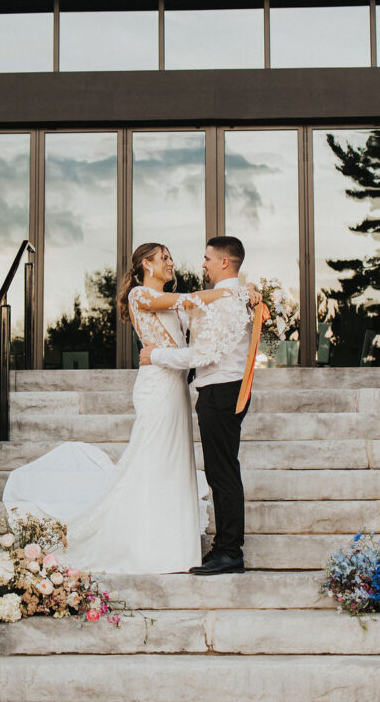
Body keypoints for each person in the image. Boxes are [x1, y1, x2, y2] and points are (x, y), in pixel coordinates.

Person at [2, 242, 247, 575]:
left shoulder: (178, 307)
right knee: (150, 459)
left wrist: (247, 295)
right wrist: (229, 293)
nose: (172, 262)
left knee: (174, 464)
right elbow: (180, 299)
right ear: (146, 264)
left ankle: (175, 546)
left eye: (171, 257)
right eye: (164, 258)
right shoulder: (139, 296)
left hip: (177, 388)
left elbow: (194, 323)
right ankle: (141, 544)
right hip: (157, 387)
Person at [139, 236, 253, 576]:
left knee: (223, 473)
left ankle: (230, 551)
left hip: (221, 391)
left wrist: (155, 355)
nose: (201, 264)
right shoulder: (226, 297)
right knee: (221, 472)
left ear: (223, 263)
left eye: (206, 258)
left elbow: (203, 354)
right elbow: (194, 325)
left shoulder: (229, 300)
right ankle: (224, 547)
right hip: (215, 390)